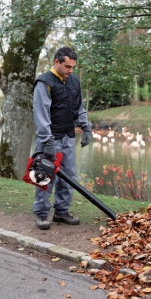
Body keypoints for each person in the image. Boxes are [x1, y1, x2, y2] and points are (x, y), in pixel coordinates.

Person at [32, 47, 92, 230]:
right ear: (56, 62)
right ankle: (42, 214)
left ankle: (61, 211)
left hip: (67, 137)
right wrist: (47, 141)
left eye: (73, 67)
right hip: (49, 139)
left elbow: (78, 107)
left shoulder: (73, 81)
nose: (70, 70)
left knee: (68, 177)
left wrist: (86, 127)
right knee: (44, 177)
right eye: (67, 66)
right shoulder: (44, 82)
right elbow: (40, 113)